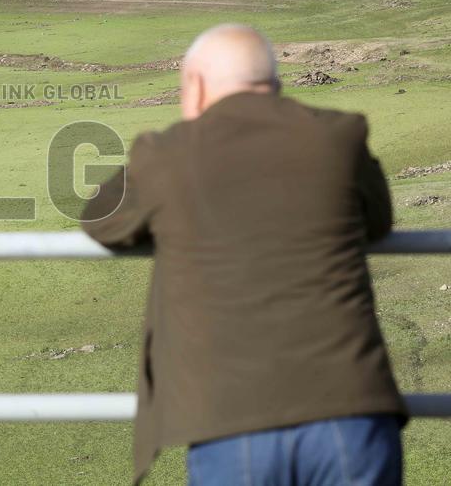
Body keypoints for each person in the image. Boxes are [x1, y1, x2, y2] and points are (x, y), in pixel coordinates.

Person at [81, 24, 406, 485]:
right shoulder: (340, 137)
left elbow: (100, 219)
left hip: (229, 421)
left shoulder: (167, 153)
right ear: (274, 83)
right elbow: (379, 221)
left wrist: (181, 135)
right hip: (350, 410)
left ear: (194, 85)